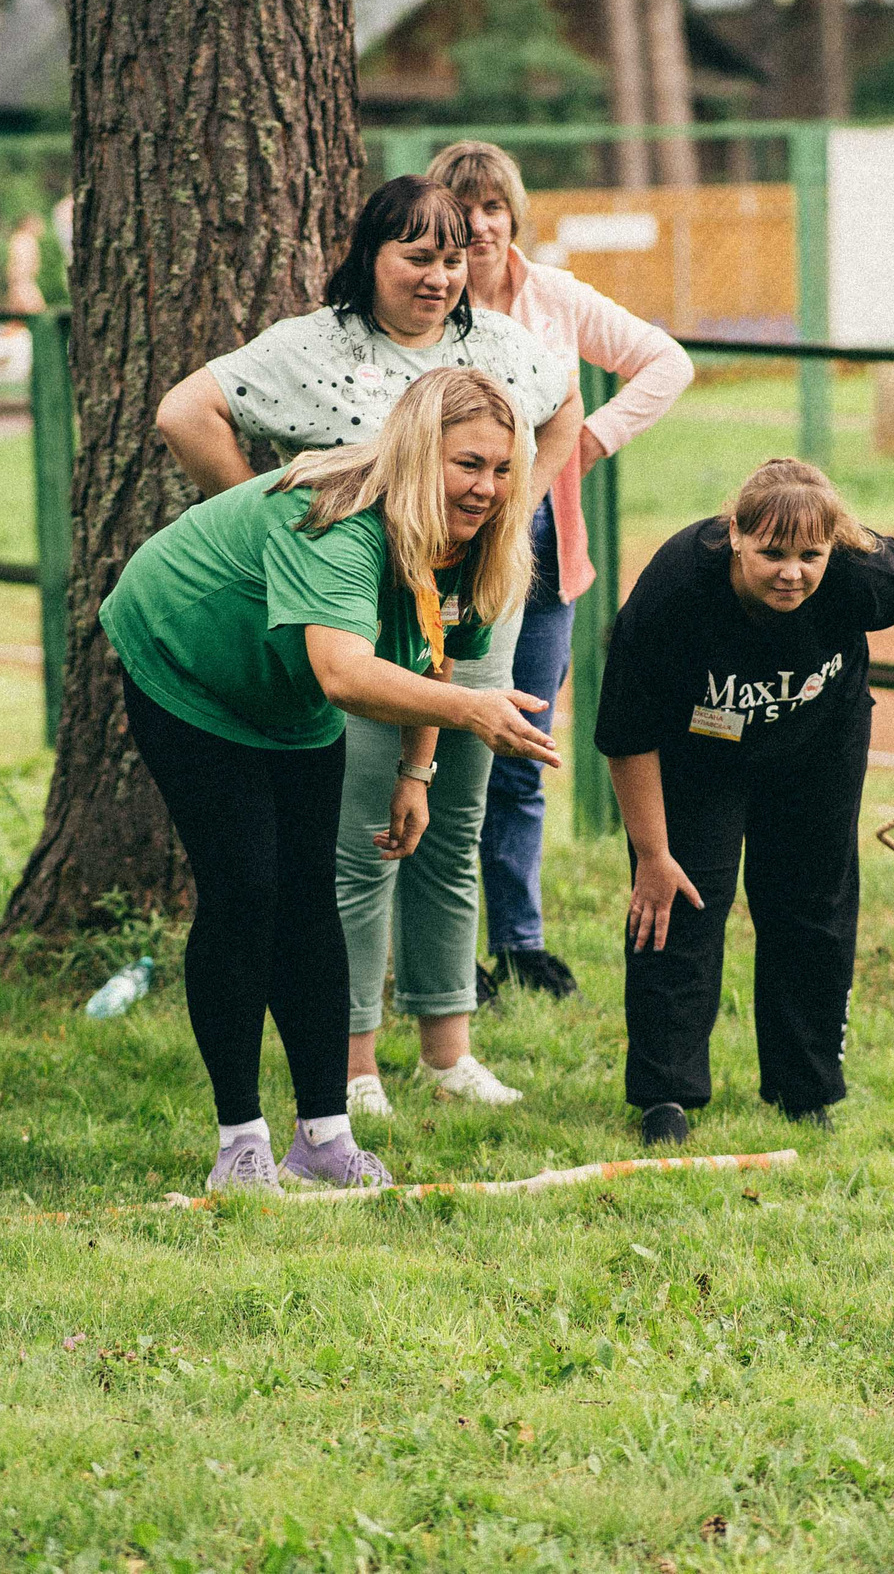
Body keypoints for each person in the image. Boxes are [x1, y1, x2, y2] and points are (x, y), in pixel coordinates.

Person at [156, 177, 582, 1120]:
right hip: (350, 611)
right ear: (369, 257)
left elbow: (566, 406)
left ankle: (448, 1047)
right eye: (416, 256)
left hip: (471, 598)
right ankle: (352, 1063)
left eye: (454, 256)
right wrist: (273, 533)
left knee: (450, 822)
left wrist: (516, 502)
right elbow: (186, 412)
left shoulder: (500, 345)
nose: (438, 277)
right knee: (358, 843)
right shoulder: (318, 346)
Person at [108, 366, 560, 1193]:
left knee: (310, 898)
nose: (488, 486)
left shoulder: (473, 534)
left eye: (501, 468)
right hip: (190, 658)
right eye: (469, 464)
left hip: (291, 691)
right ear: (424, 453)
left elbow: (436, 641)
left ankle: (323, 1136)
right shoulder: (341, 523)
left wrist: (417, 770)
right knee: (245, 891)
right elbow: (347, 673)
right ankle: (239, 1143)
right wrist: (470, 713)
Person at [425, 140, 694, 1004]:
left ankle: (521, 941)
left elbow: (667, 362)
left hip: (544, 559)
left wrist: (588, 440)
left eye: (492, 210)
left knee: (519, 752)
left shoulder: (558, 300)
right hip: (447, 557)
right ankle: (441, 949)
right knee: (437, 750)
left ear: (514, 216)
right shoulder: (429, 309)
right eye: (461, 217)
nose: (479, 229)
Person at [596, 458, 894, 1146]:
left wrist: (829, 520)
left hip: (818, 742)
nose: (792, 572)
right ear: (735, 536)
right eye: (772, 552)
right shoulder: (676, 591)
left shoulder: (866, 578)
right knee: (676, 903)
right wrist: (653, 854)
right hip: (698, 752)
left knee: (813, 904)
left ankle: (805, 1091)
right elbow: (628, 733)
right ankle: (666, 1096)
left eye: (811, 554)